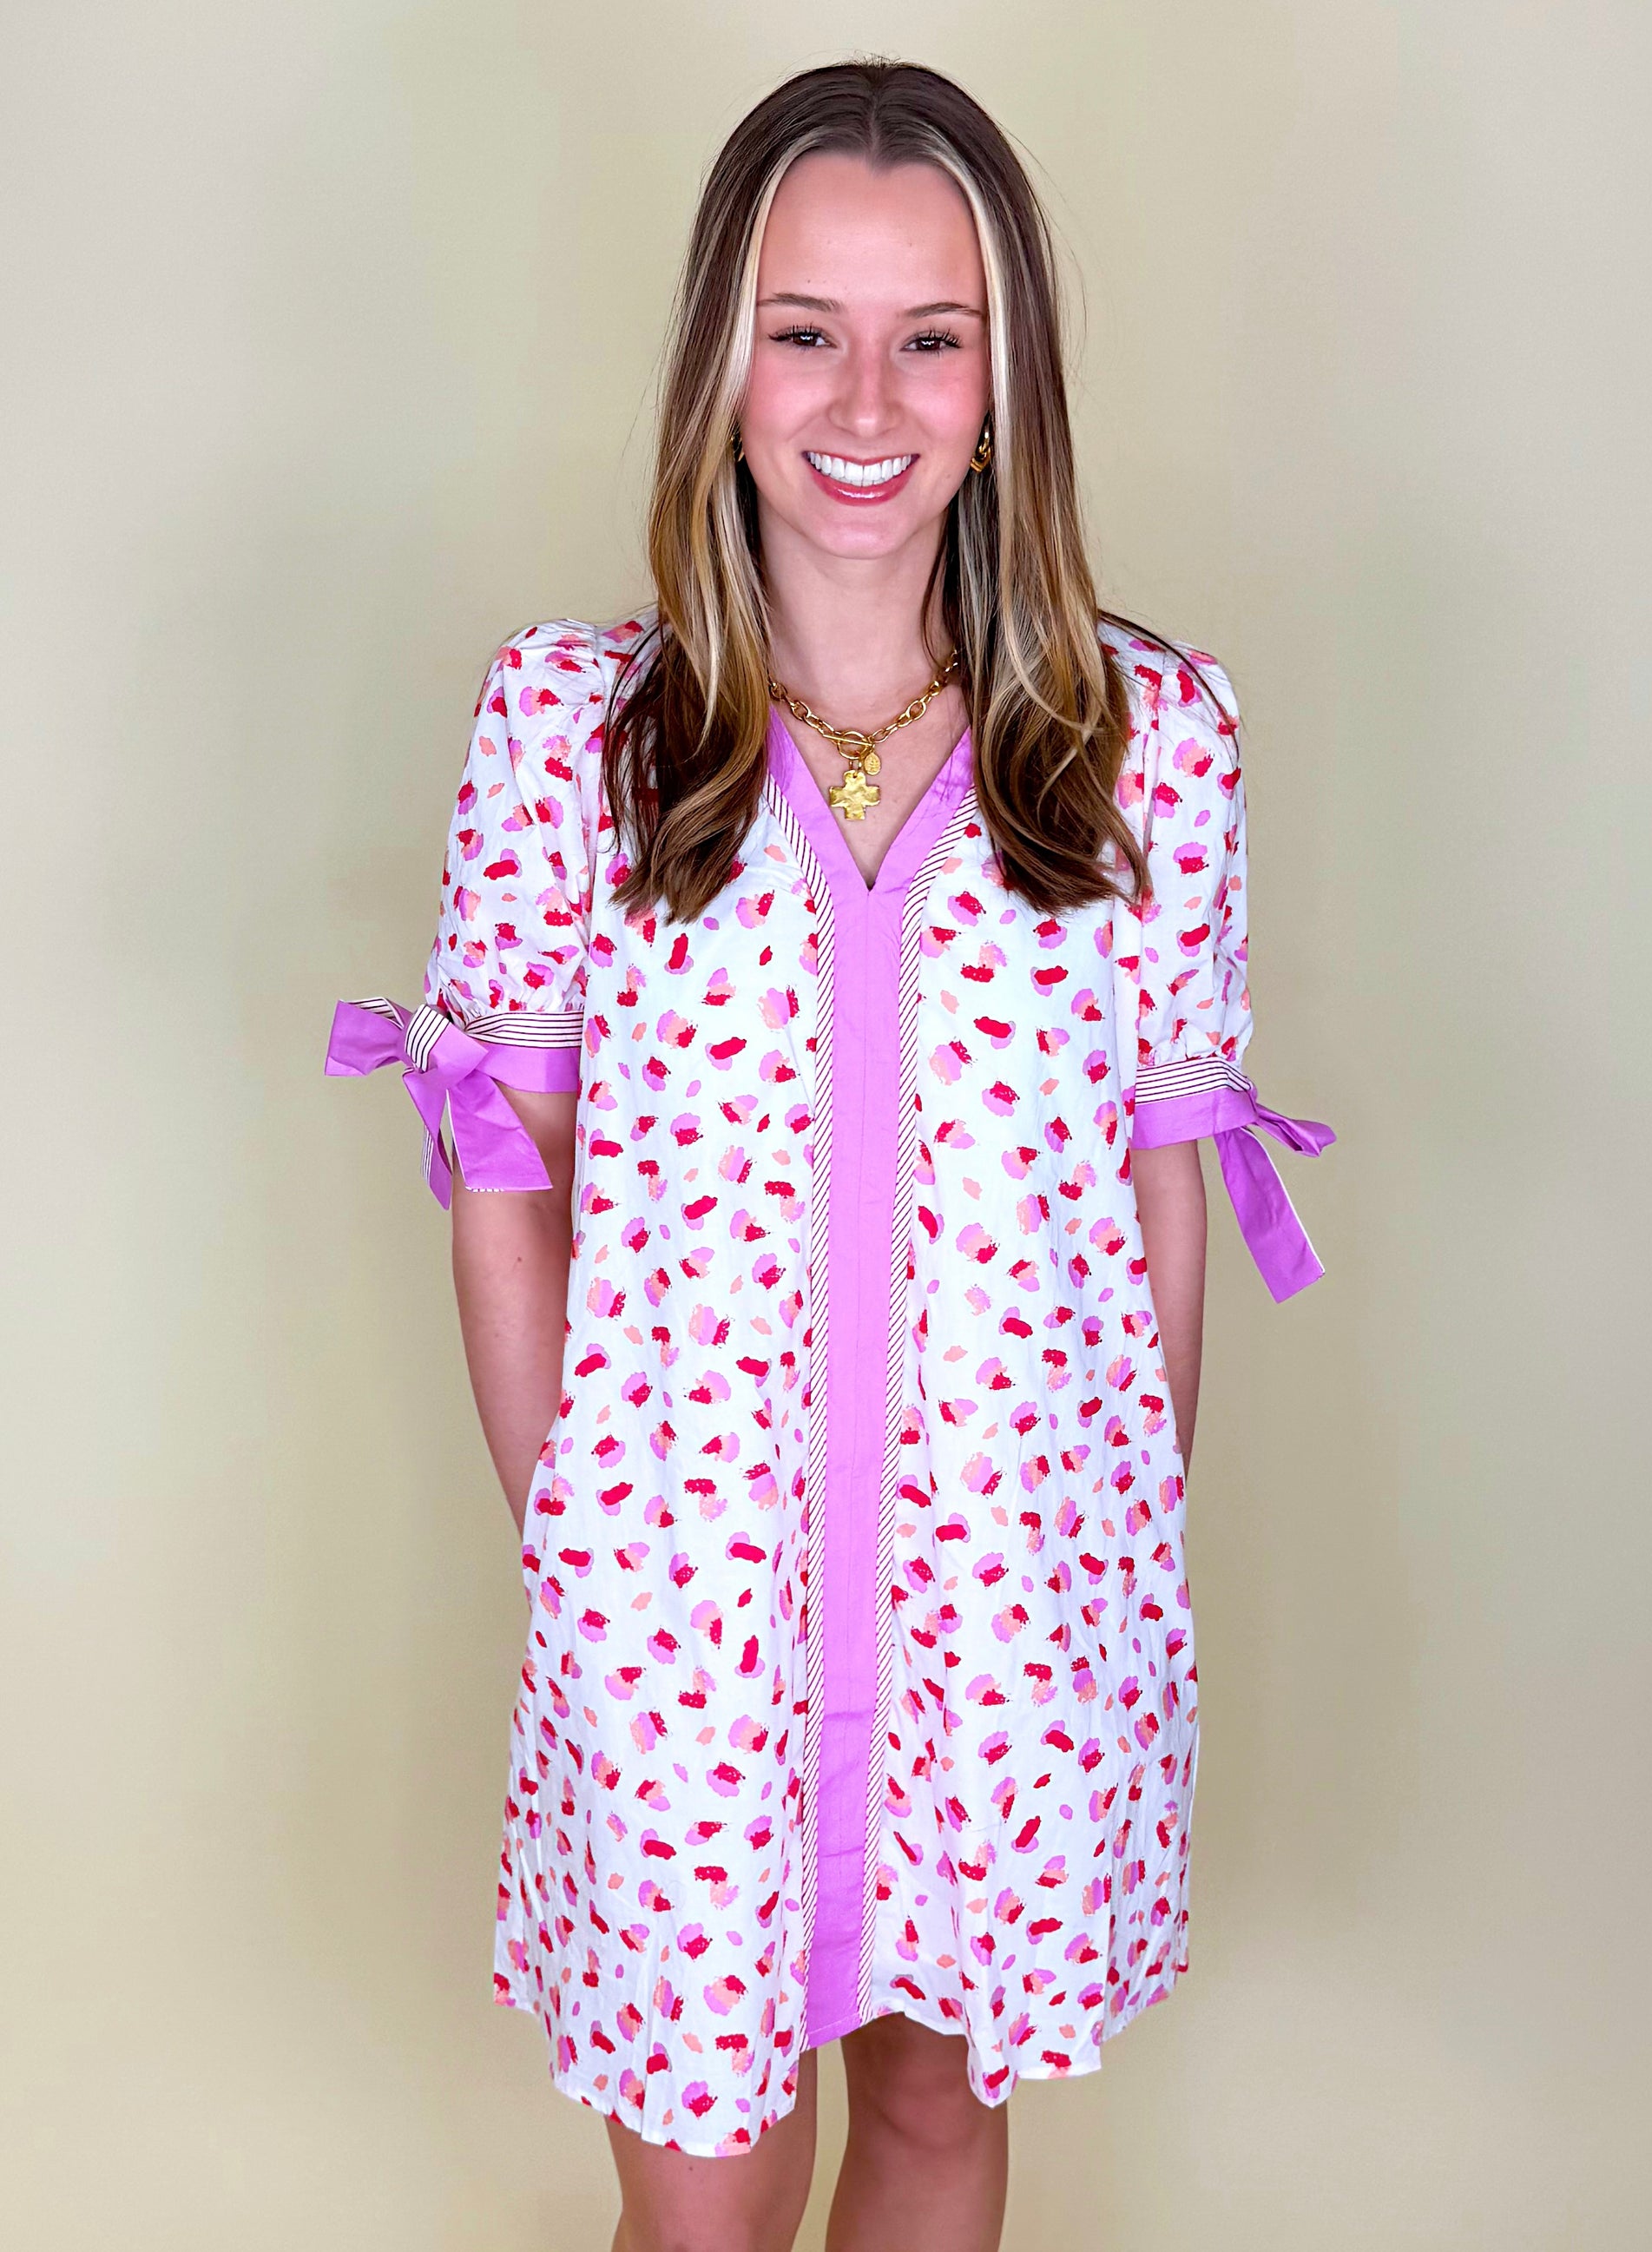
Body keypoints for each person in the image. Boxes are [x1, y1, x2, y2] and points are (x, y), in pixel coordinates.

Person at [326, 56, 1333, 2252]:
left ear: (1002, 382)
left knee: (943, 2123)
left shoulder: (1147, 740)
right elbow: (504, 1178)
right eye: (806, 329)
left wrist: (1116, 1553)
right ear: (724, 358)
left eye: (929, 337)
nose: (865, 400)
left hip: (1015, 1610)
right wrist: (583, 1539)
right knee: (711, 2198)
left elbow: (1160, 1188)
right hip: (682, 1605)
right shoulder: (575, 733)